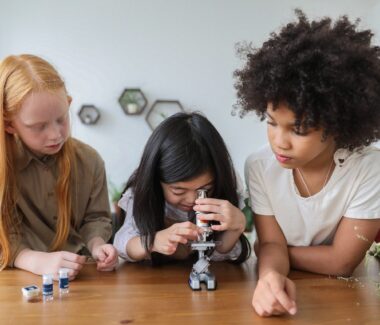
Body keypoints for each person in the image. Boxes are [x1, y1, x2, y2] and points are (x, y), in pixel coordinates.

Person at [234, 10, 380, 317]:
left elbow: (342, 262)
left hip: (346, 297)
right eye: (272, 123)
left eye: (298, 130)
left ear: (337, 126)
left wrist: (270, 253)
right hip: (290, 291)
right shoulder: (260, 166)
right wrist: (270, 276)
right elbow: (271, 244)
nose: (279, 141)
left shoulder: (370, 168)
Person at [0, 54, 118, 279]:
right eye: (39, 126)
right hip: (14, 281)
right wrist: (32, 260)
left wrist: (97, 245)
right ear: (8, 124)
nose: (56, 135)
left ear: (69, 104)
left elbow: (96, 219)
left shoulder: (90, 161)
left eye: (62, 119)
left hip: (83, 276)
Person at [114, 112, 251, 265]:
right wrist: (152, 241)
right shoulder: (142, 193)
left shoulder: (226, 186)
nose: (192, 200)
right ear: (156, 181)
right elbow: (121, 245)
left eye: (205, 189)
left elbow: (220, 253)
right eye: (178, 191)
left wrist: (236, 227)